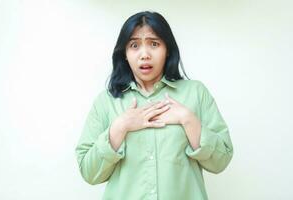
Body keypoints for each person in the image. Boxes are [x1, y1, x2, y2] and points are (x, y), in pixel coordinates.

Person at [75, 11, 233, 200]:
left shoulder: (196, 93)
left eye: (154, 44)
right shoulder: (106, 101)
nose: (145, 55)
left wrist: (189, 120)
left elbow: (221, 161)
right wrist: (119, 127)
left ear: (167, 50)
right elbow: (88, 172)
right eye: (134, 45)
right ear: (124, 53)